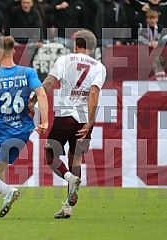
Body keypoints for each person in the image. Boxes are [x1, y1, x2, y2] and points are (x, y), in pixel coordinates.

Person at [0, 36, 48, 219]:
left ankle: (8, 191)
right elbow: (41, 94)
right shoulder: (28, 72)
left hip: (2, 131)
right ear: (14, 51)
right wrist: (45, 122)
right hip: (23, 132)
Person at [29, 29, 106, 219]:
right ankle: (68, 207)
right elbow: (94, 93)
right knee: (75, 158)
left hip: (65, 116)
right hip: (84, 120)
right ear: (92, 48)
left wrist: (33, 101)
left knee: (50, 154)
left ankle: (70, 179)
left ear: (75, 44)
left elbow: (48, 82)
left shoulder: (65, 60)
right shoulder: (99, 67)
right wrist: (90, 121)